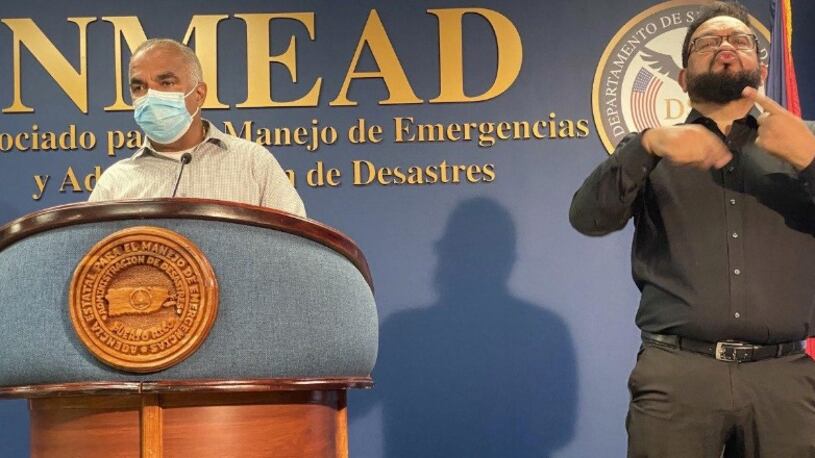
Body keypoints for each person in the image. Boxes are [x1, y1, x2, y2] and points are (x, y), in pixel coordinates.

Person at [569, 2, 815, 456]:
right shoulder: (652, 149)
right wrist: (648, 144)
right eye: (708, 42)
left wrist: (810, 159)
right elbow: (589, 218)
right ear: (683, 78)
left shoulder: (804, 141)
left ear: (762, 70)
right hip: (677, 375)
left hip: (784, 379)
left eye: (739, 40)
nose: (725, 47)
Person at [89, 38, 306, 218]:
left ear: (199, 94)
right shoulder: (115, 183)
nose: (150, 96)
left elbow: (295, 244)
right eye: (139, 87)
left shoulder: (253, 162)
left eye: (166, 83)